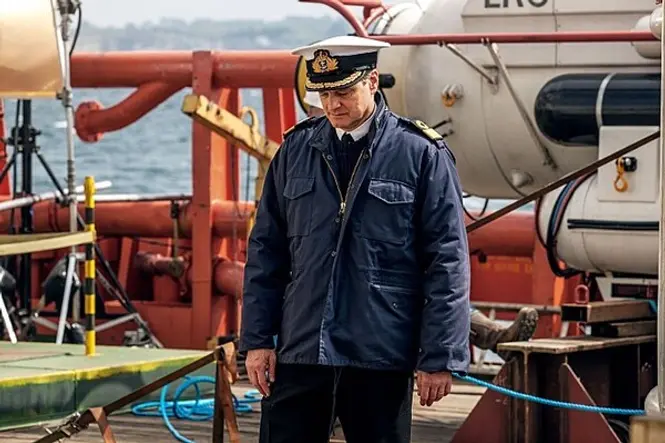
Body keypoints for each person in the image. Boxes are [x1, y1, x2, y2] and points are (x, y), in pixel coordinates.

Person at [240, 35, 495, 443]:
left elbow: (447, 262)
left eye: (343, 92)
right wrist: (256, 341)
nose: (332, 105)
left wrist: (439, 356)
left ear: (372, 81)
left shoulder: (421, 154)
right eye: (324, 94)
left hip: (380, 354)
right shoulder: (294, 151)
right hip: (302, 348)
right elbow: (266, 253)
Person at [302, 91, 540, 362]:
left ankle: (492, 335)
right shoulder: (307, 153)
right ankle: (492, 336)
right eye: (323, 104)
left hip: (362, 295)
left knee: (418, 284)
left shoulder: (385, 150)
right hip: (333, 305)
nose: (332, 110)